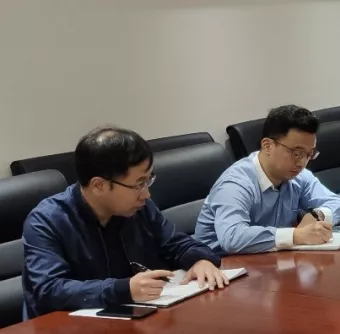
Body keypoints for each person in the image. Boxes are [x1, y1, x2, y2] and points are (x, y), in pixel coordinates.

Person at [23, 128, 229, 319]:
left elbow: (176, 244)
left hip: (133, 318)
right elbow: (49, 290)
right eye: (139, 184)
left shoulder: (138, 208)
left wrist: (199, 260)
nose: (146, 194)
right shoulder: (47, 220)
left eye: (148, 180)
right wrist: (123, 289)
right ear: (99, 185)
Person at [195, 105, 340, 254]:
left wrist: (317, 215)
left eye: (309, 154)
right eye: (296, 153)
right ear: (267, 146)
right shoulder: (236, 183)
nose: (302, 162)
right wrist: (296, 235)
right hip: (221, 265)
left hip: (271, 260)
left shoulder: (299, 176)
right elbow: (232, 237)